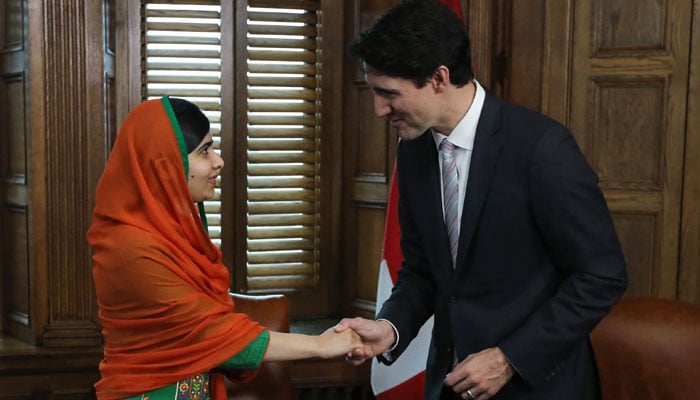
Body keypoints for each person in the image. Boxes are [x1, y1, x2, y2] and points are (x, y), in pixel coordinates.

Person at [335, 1, 628, 399]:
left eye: (388, 94)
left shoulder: (541, 148)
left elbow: (601, 276)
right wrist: (390, 328)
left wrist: (508, 358)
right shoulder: (414, 149)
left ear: (439, 78)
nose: (378, 109)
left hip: (536, 386)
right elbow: (422, 269)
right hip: (450, 384)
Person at [87, 97, 363, 400]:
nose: (218, 160)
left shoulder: (165, 235)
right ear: (164, 162)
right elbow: (211, 334)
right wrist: (320, 346)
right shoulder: (129, 247)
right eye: (204, 151)